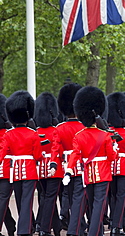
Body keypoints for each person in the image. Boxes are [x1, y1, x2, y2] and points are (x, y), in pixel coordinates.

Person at [63, 86, 117, 236]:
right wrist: (115, 148)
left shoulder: (79, 135)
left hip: (87, 174)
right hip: (103, 173)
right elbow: (111, 157)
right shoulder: (105, 136)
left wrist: (68, 171)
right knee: (99, 206)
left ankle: (97, 231)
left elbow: (75, 155)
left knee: (92, 205)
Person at [0, 90, 43, 236]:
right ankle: (24, 230)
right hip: (30, 171)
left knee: (19, 200)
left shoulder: (8, 134)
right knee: (26, 201)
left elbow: (3, 152)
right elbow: (37, 155)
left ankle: (25, 228)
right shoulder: (33, 134)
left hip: (15, 172)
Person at [51, 83, 85, 236]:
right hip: (82, 167)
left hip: (66, 168)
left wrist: (53, 163)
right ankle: (74, 229)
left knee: (71, 198)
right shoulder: (84, 127)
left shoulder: (59, 128)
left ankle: (80, 226)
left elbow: (55, 148)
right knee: (78, 199)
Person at [107, 92, 125, 236]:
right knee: (121, 196)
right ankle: (117, 227)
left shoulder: (107, 132)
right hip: (124, 168)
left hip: (111, 168)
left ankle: (117, 222)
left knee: (113, 196)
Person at [34, 92, 62, 236]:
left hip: (39, 169)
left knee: (45, 196)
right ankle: (44, 228)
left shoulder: (36, 132)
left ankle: (56, 227)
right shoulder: (56, 131)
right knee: (50, 197)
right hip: (54, 168)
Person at [0, 94, 16, 236]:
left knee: (2, 200)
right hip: (6, 169)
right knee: (3, 199)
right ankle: (10, 226)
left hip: (5, 169)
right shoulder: (9, 133)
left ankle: (11, 226)